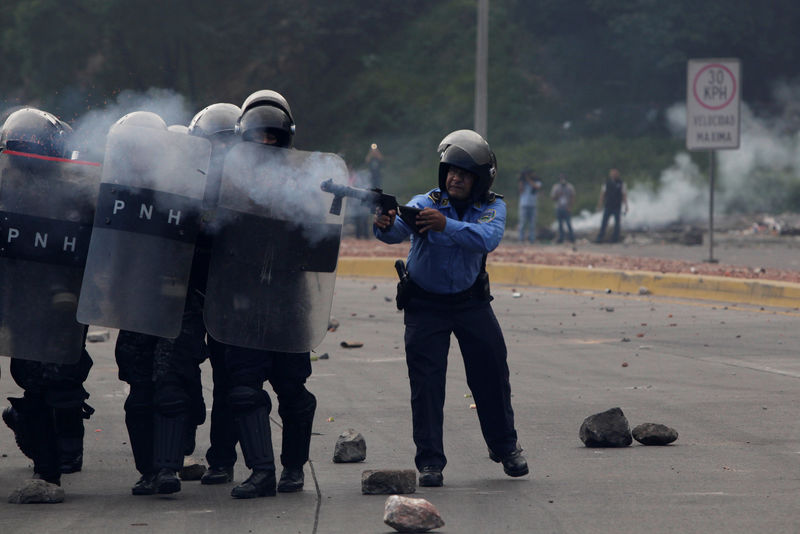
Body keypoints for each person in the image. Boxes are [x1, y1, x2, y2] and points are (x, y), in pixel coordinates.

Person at [373, 129, 528, 487]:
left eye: (463, 173)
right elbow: (397, 227)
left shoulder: (492, 207)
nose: (455, 178)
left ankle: (506, 448)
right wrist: (382, 223)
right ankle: (430, 462)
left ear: (481, 179)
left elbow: (487, 238)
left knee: (491, 373)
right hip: (425, 304)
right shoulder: (426, 201)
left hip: (470, 302)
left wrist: (446, 225)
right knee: (426, 385)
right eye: (450, 172)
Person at [213, 89, 317, 498]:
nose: (265, 145)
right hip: (242, 300)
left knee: (292, 389)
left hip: (288, 302)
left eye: (273, 137)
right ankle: (261, 472)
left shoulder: (307, 185)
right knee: (242, 388)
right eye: (258, 137)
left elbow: (319, 248)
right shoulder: (224, 182)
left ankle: (293, 468)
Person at [110, 111, 209, 496]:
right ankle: (148, 469)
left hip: (178, 304)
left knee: (170, 386)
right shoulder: (115, 194)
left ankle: (168, 468)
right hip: (135, 304)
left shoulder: (185, 188)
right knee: (139, 395)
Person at [0, 107, 96, 490]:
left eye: (35, 148)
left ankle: (60, 457)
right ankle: (48, 464)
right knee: (33, 383)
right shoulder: (4, 193)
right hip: (20, 303)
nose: (28, 156)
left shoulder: (79, 194)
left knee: (63, 378)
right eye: (21, 148)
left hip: (62, 305)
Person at [595, 168, 628, 243]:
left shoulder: (622, 183)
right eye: (612, 173)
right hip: (608, 205)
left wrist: (626, 206)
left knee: (617, 224)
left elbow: (624, 195)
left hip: (617, 206)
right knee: (604, 222)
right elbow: (602, 195)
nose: (614, 175)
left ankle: (615, 239)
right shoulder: (606, 183)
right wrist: (599, 205)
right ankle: (600, 238)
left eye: (615, 173)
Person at [517, 168, 541, 243]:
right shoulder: (523, 182)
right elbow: (520, 190)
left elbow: (536, 186)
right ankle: (521, 239)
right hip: (524, 204)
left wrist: (528, 179)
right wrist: (521, 180)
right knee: (522, 222)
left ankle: (532, 239)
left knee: (532, 224)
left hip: (533, 204)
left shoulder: (537, 181)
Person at [550, 173, 576, 244]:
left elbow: (572, 197)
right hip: (559, 207)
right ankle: (561, 238)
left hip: (566, 207)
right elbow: (552, 198)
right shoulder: (556, 187)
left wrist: (570, 207)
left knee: (568, 223)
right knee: (560, 224)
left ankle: (572, 238)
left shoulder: (570, 187)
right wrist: (557, 195)